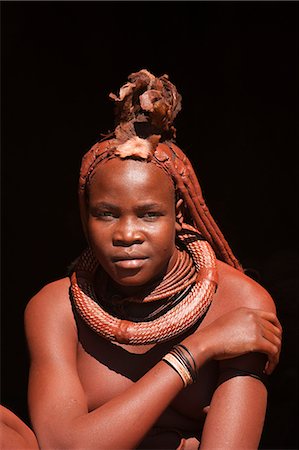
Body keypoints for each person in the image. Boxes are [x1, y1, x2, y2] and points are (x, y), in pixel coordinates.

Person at [1, 69, 282, 450]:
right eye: (106, 214)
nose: (126, 234)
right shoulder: (55, 307)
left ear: (178, 212)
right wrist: (195, 351)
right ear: (84, 218)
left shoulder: (238, 307)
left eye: (149, 214)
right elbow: (63, 445)